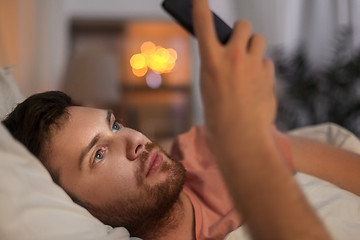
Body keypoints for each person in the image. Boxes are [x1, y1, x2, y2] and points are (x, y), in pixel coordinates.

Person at [2, 0, 360, 239]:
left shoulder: (208, 147)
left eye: (113, 125)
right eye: (98, 154)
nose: (135, 141)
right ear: (69, 204)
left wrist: (245, 138)